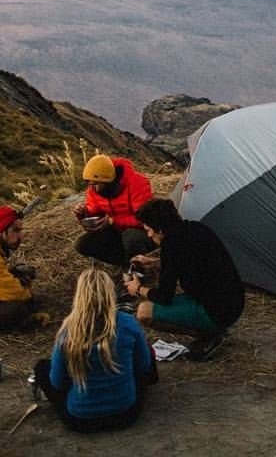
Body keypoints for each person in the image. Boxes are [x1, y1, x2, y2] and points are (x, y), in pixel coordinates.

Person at [34, 268, 157, 433]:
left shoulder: (68, 331)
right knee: (146, 351)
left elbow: (57, 383)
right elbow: (144, 368)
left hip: (80, 421)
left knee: (42, 368)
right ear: (111, 294)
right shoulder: (127, 323)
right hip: (126, 414)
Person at [124, 197, 244, 361]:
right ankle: (213, 329)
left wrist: (138, 289)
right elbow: (187, 261)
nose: (149, 235)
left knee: (144, 312)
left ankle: (210, 334)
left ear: (160, 229)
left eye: (149, 230)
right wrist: (152, 263)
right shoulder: (197, 228)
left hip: (216, 312)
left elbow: (164, 297)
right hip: (234, 303)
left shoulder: (171, 247)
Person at [74, 154, 154, 267]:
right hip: (116, 231)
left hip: (143, 233)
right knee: (82, 244)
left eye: (96, 184)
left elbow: (145, 219)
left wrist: (114, 221)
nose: (93, 188)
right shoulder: (94, 189)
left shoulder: (137, 183)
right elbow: (95, 215)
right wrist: (83, 214)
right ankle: (128, 263)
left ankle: (138, 268)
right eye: (90, 183)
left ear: (108, 180)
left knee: (130, 237)